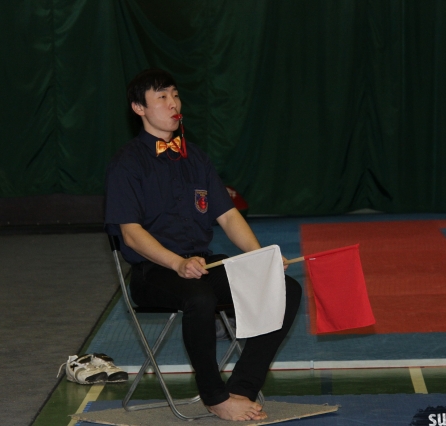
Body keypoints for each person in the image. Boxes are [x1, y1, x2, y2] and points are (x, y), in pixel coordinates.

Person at [104, 68, 302, 421]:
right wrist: (177, 263)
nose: (173, 103)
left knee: (285, 288)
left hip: (204, 264)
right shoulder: (126, 164)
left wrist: (261, 256)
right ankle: (214, 396)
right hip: (154, 271)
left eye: (175, 95)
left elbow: (228, 215)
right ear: (139, 108)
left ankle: (242, 387)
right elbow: (131, 234)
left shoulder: (195, 157)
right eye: (161, 97)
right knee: (200, 298)